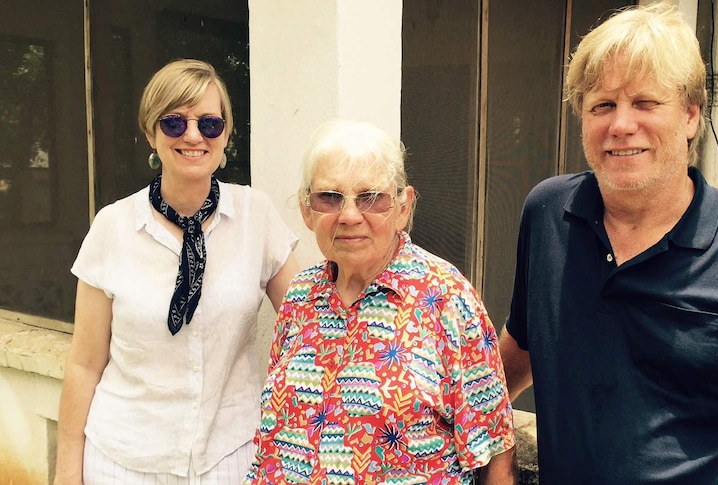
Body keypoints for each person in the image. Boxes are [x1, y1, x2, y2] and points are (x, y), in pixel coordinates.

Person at [499, 3, 718, 484]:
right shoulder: (548, 215)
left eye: (645, 103)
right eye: (602, 105)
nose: (621, 125)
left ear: (691, 116)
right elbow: (520, 347)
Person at [54, 58, 300, 484]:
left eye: (209, 124)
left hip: (231, 456)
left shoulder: (255, 216)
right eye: (173, 123)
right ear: (151, 133)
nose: (192, 136)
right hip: (123, 460)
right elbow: (84, 364)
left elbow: (309, 324)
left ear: (226, 136)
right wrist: (65, 473)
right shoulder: (113, 227)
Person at [243, 120, 517, 484]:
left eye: (372, 198)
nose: (350, 215)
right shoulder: (300, 296)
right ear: (307, 210)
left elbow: (495, 451)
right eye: (330, 197)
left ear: (403, 207)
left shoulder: (447, 298)